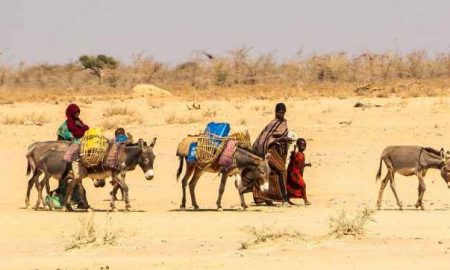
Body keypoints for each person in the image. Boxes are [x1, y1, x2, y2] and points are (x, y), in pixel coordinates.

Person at [252, 103, 295, 206]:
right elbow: (266, 138)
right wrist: (282, 139)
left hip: (279, 152)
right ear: (276, 112)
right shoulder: (273, 124)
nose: (281, 114)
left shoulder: (283, 123)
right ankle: (284, 199)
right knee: (282, 172)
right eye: (279, 112)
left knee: (272, 174)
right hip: (270, 152)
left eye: (283, 112)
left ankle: (266, 198)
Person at [55, 103, 90, 208]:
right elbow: (64, 140)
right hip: (67, 153)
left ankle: (78, 201)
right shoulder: (64, 127)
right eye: (75, 113)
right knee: (68, 181)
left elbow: (85, 131)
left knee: (77, 179)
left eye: (78, 112)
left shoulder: (79, 122)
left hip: (79, 153)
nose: (77, 114)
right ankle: (67, 201)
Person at [287, 138, 311, 205]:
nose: (303, 147)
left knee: (293, 186)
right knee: (303, 185)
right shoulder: (297, 154)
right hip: (295, 173)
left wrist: (306, 164)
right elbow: (294, 162)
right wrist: (294, 152)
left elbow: (301, 164)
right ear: (298, 146)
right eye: (302, 146)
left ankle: (287, 198)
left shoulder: (302, 154)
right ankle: (306, 200)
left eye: (304, 146)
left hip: (298, 173)